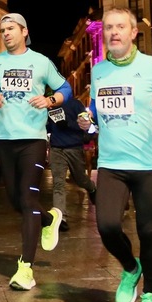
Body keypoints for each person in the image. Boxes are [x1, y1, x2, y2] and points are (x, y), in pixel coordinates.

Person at [76, 8, 152, 302]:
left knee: (148, 231)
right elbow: (96, 108)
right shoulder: (98, 71)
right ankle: (130, 267)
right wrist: (88, 119)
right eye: (109, 27)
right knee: (107, 226)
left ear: (133, 32)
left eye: (120, 27)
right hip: (111, 163)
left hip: (149, 164)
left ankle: (151, 294)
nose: (113, 32)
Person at [0, 12, 71, 291]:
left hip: (33, 140)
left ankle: (26, 269)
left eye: (11, 28)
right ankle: (49, 218)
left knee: (28, 197)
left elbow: (65, 87)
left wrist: (50, 100)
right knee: (15, 199)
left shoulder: (41, 62)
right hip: (4, 139)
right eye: (2, 29)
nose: (6, 33)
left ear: (24, 31)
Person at [45, 94, 97, 231]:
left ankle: (91, 187)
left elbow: (87, 125)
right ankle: (60, 217)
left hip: (74, 147)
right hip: (56, 148)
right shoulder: (49, 106)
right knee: (58, 183)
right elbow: (48, 127)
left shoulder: (75, 104)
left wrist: (68, 124)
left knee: (80, 179)